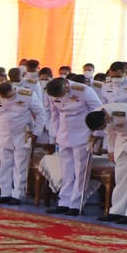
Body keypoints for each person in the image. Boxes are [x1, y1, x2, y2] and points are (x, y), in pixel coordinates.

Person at [43, 77, 103, 215]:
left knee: (81, 172)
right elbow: (54, 114)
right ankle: (64, 202)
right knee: (66, 171)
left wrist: (96, 134)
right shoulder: (51, 92)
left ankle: (76, 204)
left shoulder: (85, 91)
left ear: (67, 87)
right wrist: (56, 134)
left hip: (84, 135)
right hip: (64, 135)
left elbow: (99, 112)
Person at [0, 80, 39, 204]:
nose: (7, 99)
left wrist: (36, 132)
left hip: (22, 135)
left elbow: (40, 113)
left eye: (9, 96)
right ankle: (5, 193)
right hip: (4, 135)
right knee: (5, 165)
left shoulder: (27, 95)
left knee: (20, 165)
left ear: (13, 89)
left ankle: (18, 194)